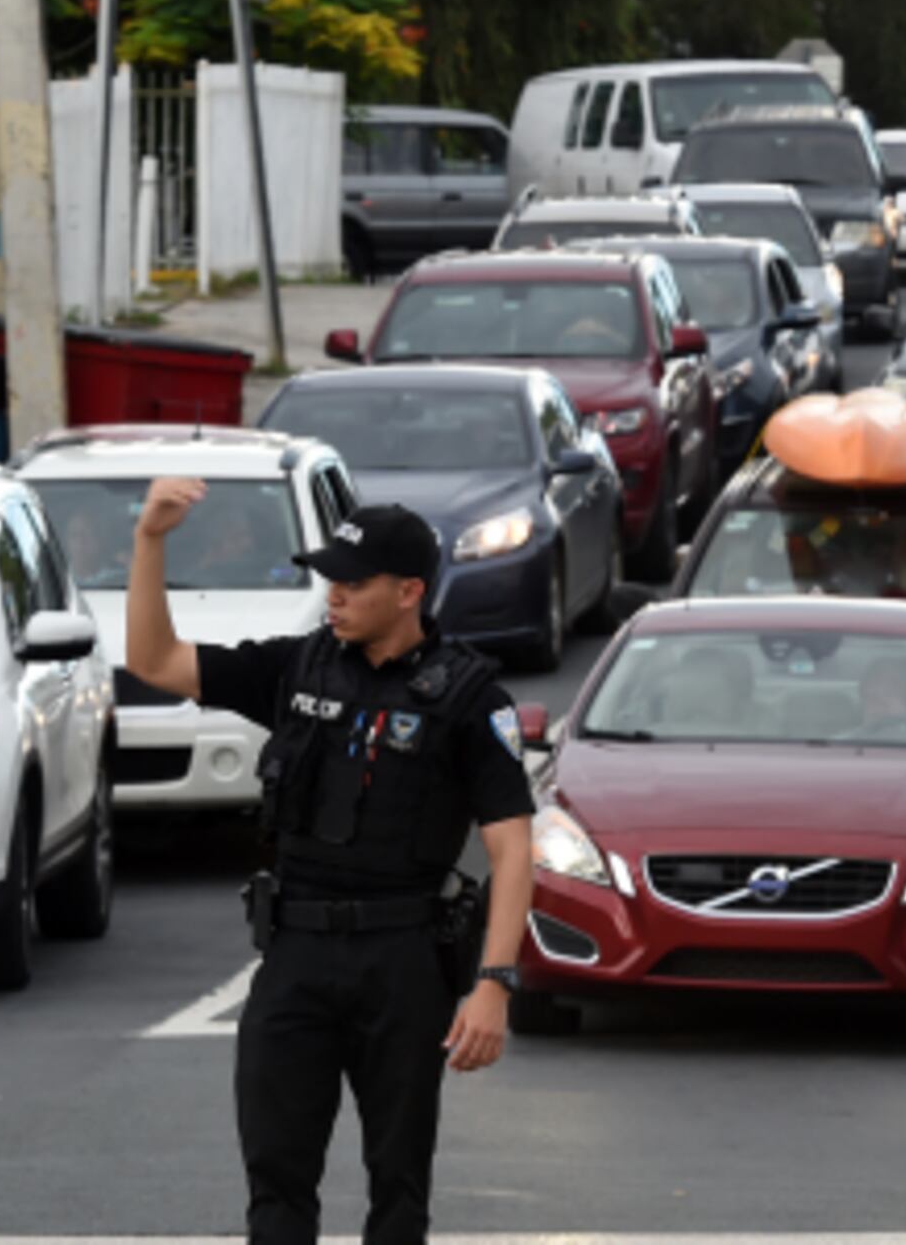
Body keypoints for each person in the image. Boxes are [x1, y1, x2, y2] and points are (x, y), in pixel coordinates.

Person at [121, 485, 535, 1245]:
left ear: (409, 593)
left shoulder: (472, 699)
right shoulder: (298, 667)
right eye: (329, 578)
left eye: (353, 582)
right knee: (276, 1183)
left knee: (399, 1190)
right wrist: (151, 540)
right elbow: (153, 659)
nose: (333, 595)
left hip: (404, 960)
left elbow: (513, 851)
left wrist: (493, 986)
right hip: (295, 955)